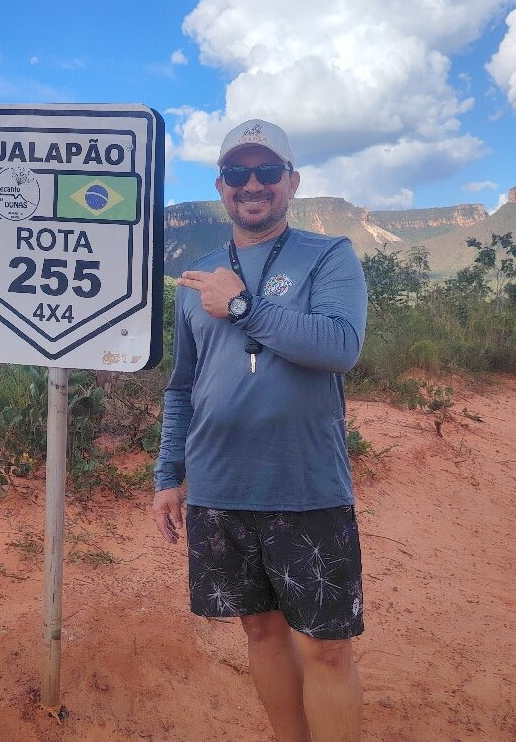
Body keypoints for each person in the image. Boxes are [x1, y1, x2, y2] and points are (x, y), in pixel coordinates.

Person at [153, 118, 368, 742]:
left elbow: (339, 345)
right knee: (260, 631)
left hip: (307, 484)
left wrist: (244, 306)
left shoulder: (329, 256)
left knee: (326, 648)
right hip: (221, 486)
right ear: (221, 187)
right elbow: (182, 386)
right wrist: (170, 476)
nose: (254, 184)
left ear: (291, 182)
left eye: (268, 172)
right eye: (240, 174)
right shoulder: (196, 276)